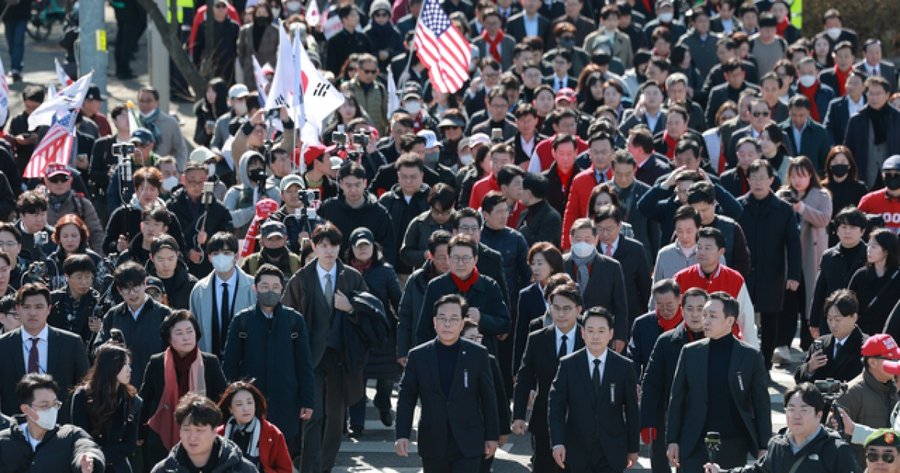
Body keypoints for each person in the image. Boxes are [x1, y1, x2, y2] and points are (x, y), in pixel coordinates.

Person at [281, 223, 368, 473]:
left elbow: (370, 314)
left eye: (334, 245)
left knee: (336, 419)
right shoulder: (301, 278)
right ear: (315, 247)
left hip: (341, 356)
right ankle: (310, 468)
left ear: (341, 247)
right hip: (310, 357)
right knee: (312, 415)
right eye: (323, 245)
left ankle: (324, 468)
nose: (329, 251)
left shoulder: (352, 277)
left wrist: (350, 308)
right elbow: (287, 315)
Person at [667, 292, 772, 471]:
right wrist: (672, 440)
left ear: (730, 321)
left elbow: (761, 402)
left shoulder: (750, 356)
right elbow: (677, 398)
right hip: (693, 441)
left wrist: (764, 445)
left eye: (713, 316)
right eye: (705, 315)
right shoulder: (690, 352)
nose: (705, 320)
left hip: (733, 442)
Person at [394, 294, 500, 471]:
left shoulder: (478, 354)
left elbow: (489, 398)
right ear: (434, 322)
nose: (448, 324)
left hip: (468, 441)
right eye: (442, 319)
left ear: (461, 323)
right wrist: (402, 435)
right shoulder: (418, 356)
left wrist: (492, 435)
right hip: (433, 440)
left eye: (454, 319)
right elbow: (406, 398)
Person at [223, 263, 314, 457]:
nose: (270, 291)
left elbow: (304, 364)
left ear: (282, 289)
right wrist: (231, 400)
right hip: (251, 402)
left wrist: (307, 400)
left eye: (275, 287)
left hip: (286, 399)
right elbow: (229, 364)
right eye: (264, 287)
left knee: (283, 455)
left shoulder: (294, 320)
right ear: (255, 288)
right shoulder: (242, 320)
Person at [548, 306, 639, 472]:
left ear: (611, 333)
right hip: (576, 448)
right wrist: (558, 442)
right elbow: (556, 407)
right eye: (590, 330)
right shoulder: (568, 364)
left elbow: (632, 410)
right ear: (582, 333)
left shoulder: (624, 367)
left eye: (601, 330)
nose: (595, 336)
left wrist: (633, 448)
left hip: (612, 449)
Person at [704, 382, 861, 473]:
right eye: (791, 409)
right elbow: (758, 471)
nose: (796, 415)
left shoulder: (836, 449)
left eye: (804, 410)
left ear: (819, 415)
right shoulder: (778, 444)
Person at [139, 310, 228, 470]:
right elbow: (145, 400)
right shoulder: (157, 363)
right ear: (169, 337)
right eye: (179, 333)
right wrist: (140, 433)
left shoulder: (210, 362)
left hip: (202, 433)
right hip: (162, 433)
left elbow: (223, 399)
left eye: (190, 331)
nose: (186, 337)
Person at [512, 283, 583, 472]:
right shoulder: (537, 338)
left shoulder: (589, 337)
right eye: (556, 308)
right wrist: (518, 414)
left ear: (578, 310)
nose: (561, 314)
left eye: (567, 308)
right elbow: (524, 376)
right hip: (544, 418)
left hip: (581, 421)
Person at [738, 159, 802, 369]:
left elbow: (793, 244)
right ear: (747, 180)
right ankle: (742, 362)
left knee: (770, 318)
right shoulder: (739, 206)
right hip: (744, 272)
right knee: (741, 315)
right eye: (753, 178)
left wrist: (793, 275)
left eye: (762, 178)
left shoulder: (784, 209)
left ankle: (765, 364)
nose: (758, 183)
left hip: (772, 272)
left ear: (772, 180)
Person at [640, 287, 709, 473]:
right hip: (668, 415)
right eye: (690, 309)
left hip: (706, 418)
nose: (695, 315)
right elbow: (651, 382)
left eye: (701, 309)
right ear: (682, 309)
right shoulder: (666, 341)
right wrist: (647, 421)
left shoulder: (718, 341)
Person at [0, 283, 89, 422]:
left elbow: (84, 389)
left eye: (39, 307)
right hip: (14, 429)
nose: (33, 313)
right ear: (18, 309)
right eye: (26, 307)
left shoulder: (71, 343)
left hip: (60, 428)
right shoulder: (3, 345)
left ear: (49, 309)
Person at [343, 228, 402, 437]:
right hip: (355, 331)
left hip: (381, 332)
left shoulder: (385, 271)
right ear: (352, 249)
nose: (363, 250)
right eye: (358, 247)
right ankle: (356, 424)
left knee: (387, 377)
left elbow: (397, 300)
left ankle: (383, 402)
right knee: (357, 377)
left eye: (366, 246)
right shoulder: (344, 271)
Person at [415, 235, 510, 355]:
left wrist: (482, 318)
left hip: (480, 357)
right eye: (455, 258)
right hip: (444, 355)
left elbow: (504, 324)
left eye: (466, 258)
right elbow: (424, 329)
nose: (460, 263)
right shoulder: (436, 286)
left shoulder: (489, 286)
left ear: (475, 259)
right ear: (448, 259)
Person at [0, 373, 104, 472]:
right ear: (26, 409)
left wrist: (87, 460)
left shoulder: (70, 436)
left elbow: (86, 447)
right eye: (44, 406)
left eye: (55, 404)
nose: (52, 410)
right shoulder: (5, 441)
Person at [70, 343, 142, 473]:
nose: (129, 369)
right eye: (124, 364)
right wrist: (96, 458)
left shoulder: (132, 400)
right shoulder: (82, 396)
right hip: (91, 465)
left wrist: (105, 455)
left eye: (129, 365)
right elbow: (81, 435)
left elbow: (130, 444)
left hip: (119, 467)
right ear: (110, 366)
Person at [564, 218, 629, 352]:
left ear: (596, 239)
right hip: (567, 332)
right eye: (578, 239)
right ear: (571, 239)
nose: (582, 243)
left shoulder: (612, 267)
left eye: (587, 239)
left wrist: (620, 336)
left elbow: (620, 306)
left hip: (600, 335)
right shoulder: (560, 263)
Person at [150, 393, 256, 472]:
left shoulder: (242, 469)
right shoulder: (163, 470)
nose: (192, 437)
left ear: (215, 431)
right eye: (186, 429)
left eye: (199, 430)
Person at [189, 232, 256, 358]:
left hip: (246, 360)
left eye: (226, 253)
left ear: (236, 256)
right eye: (215, 253)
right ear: (209, 257)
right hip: (209, 361)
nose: (221, 257)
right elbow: (193, 328)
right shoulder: (199, 290)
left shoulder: (253, 287)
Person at [837, 333, 900, 466]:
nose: (897, 363)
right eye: (892, 359)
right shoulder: (851, 394)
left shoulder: (896, 387)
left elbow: (894, 438)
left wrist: (855, 430)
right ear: (872, 362)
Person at [319, 163, 398, 266]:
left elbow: (388, 249)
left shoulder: (379, 213)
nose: (353, 190)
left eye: (357, 184)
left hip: (370, 273)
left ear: (365, 183)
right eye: (348, 185)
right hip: (335, 270)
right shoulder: (329, 208)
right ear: (341, 183)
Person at [166, 160, 234, 278]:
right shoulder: (172, 206)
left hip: (209, 266)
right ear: (183, 179)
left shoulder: (217, 208)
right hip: (178, 266)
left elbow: (228, 233)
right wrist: (186, 253)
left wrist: (209, 239)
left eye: (201, 181)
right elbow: (167, 235)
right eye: (192, 180)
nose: (197, 185)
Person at [809, 207, 869, 335]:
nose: (847, 232)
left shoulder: (870, 255)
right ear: (836, 230)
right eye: (843, 227)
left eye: (853, 228)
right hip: (832, 320)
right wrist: (814, 321)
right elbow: (819, 291)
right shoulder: (828, 256)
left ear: (862, 231)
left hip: (862, 320)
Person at [397, 231, 452, 365]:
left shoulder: (460, 278)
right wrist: (402, 351)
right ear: (430, 256)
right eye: (440, 257)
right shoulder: (417, 280)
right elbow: (405, 316)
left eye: (449, 256)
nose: (446, 262)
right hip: (421, 346)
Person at [215, 381, 293, 473]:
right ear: (230, 408)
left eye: (249, 403)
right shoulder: (218, 435)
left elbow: (286, 470)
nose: (246, 408)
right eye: (239, 404)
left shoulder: (272, 433)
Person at [595, 204, 650, 328]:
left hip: (629, 315)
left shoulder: (635, 249)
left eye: (609, 229)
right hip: (598, 317)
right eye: (600, 229)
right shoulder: (592, 250)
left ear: (619, 226)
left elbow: (644, 286)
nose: (604, 234)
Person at [795, 289, 866, 383]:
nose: (833, 324)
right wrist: (810, 367)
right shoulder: (820, 343)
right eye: (829, 319)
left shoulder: (866, 345)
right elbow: (799, 378)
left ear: (854, 317)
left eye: (838, 319)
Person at [845, 76, 900, 189]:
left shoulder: (897, 118)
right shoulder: (856, 119)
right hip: (864, 177)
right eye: (871, 93)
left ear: (887, 94)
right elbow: (848, 150)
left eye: (878, 93)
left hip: (894, 177)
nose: (874, 97)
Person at [44, 163, 105, 254]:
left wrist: (100, 259)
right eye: (54, 179)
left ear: (71, 180)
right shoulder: (38, 205)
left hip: (77, 258)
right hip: (45, 258)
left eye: (64, 179)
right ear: (46, 181)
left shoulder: (83, 204)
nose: (59, 183)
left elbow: (96, 234)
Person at [851, 230, 900, 336]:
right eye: (868, 246)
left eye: (874, 246)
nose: (868, 250)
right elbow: (849, 303)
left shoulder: (897, 276)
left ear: (886, 250)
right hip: (863, 333)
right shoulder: (861, 275)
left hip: (892, 334)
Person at [48, 255, 104, 344]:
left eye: (88, 277)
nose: (84, 282)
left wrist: (100, 329)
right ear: (67, 276)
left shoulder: (98, 302)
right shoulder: (53, 299)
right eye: (79, 277)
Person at [147, 235, 197, 311]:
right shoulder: (142, 283)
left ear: (177, 255)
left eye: (171, 259)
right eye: (161, 259)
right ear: (151, 257)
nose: (166, 264)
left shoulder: (191, 284)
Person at [859, 155, 900, 233]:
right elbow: (856, 227)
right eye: (888, 175)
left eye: (897, 175)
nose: (892, 177)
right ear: (882, 175)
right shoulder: (869, 200)